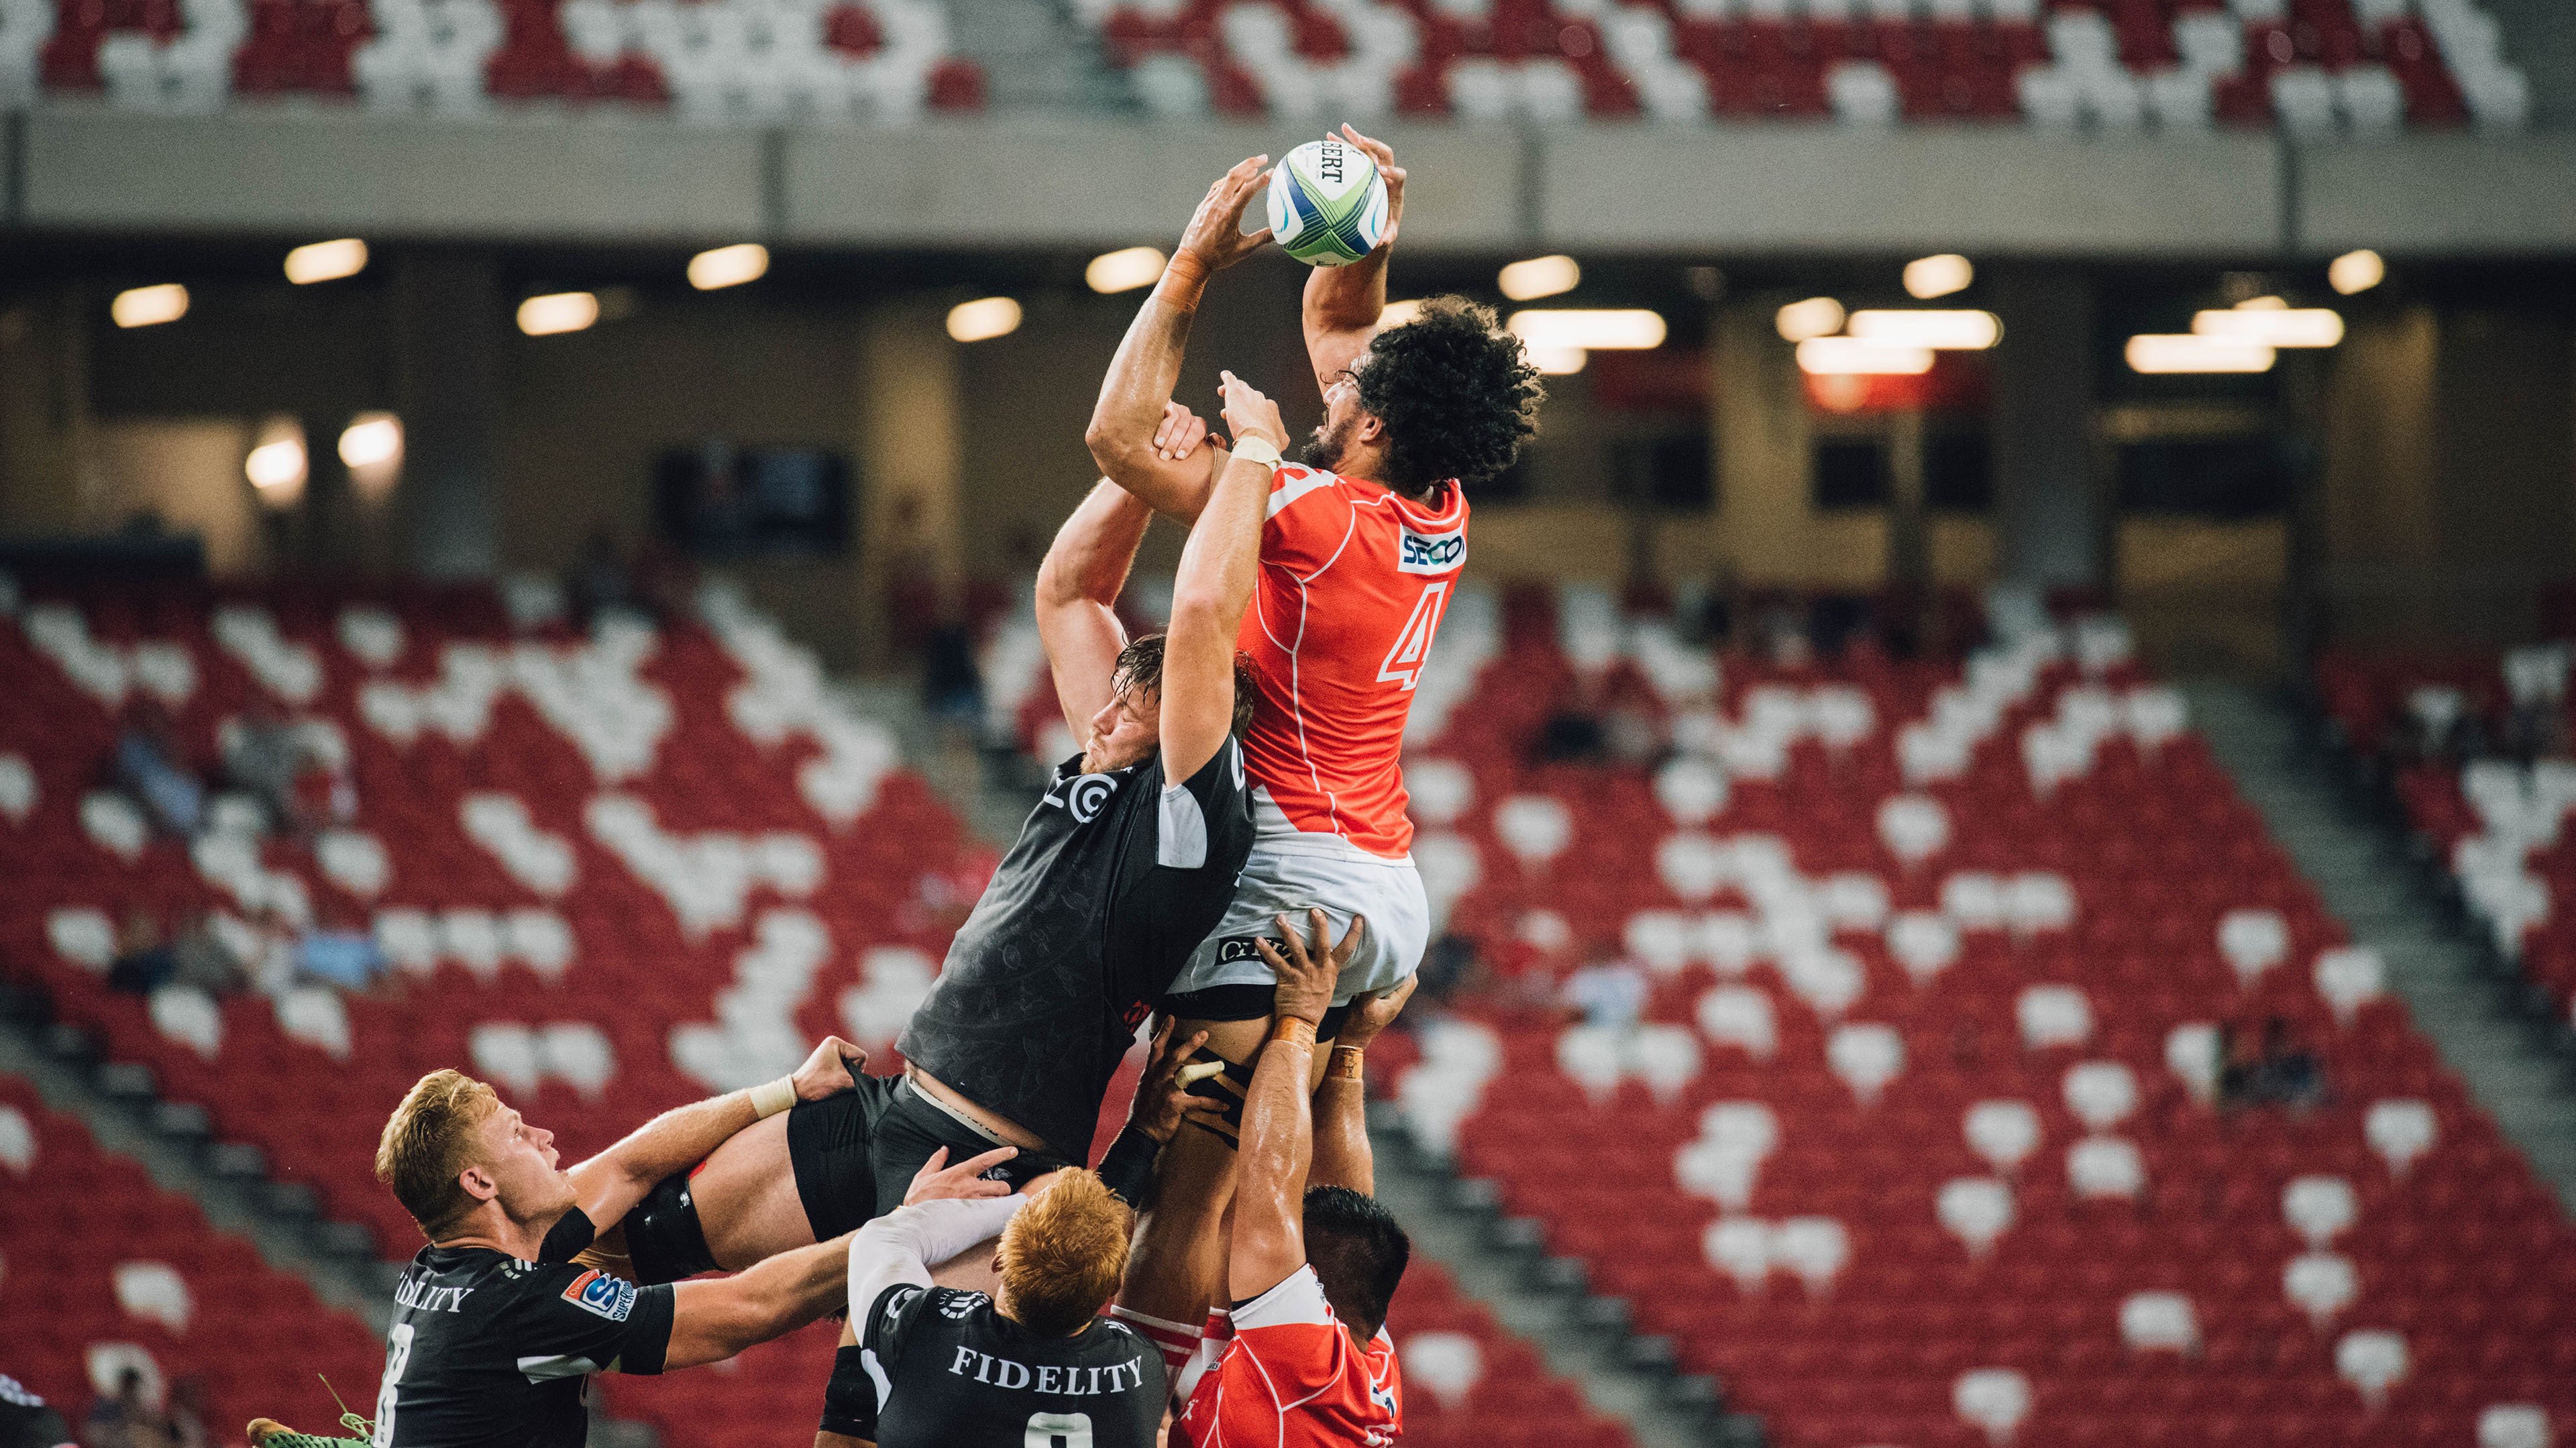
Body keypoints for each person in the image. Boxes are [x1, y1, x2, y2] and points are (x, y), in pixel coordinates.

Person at [1083, 127, 1542, 1345]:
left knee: (1195, 1169)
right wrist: (1371, 228)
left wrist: (1189, 268)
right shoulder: (1432, 500)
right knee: (1322, 1121)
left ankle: (1151, 1394)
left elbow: (1119, 438)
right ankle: (1337, 1377)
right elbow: (1350, 333)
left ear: (1375, 426)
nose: (1330, 377)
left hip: (1295, 881)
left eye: (1350, 389)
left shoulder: (1310, 505)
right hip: (1388, 892)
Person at [875, 374, 1283, 1207]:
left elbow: (1205, 618)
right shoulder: (1124, 757)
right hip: (911, 1101)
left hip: (994, 1153)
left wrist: (1254, 453)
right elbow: (1069, 593)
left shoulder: (1189, 811)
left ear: (1181, 723)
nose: (1094, 720)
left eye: (1128, 709)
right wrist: (1136, 471)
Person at [361, 1038, 871, 1447]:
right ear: (479, 1184)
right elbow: (748, 1308)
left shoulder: (448, 1263)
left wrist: (792, 1087)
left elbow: (630, 1165)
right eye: (518, 1133)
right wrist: (903, 1226)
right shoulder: (519, 1304)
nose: (545, 1135)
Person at [1163, 911, 1415, 1445]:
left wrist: (1301, 1021)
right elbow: (1343, 1209)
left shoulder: (1324, 1360)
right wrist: (1346, 1046)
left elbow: (1269, 1180)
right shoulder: (1348, 1351)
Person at [811, 1171, 1170, 1448]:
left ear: (999, 1260)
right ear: (1111, 1288)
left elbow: (883, 1238)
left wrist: (1018, 1202)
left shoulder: (924, 1330)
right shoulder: (1144, 1366)